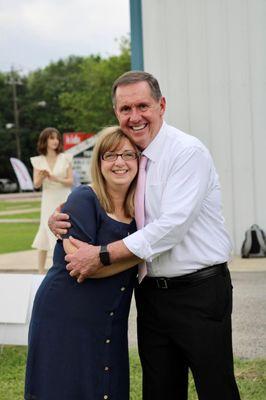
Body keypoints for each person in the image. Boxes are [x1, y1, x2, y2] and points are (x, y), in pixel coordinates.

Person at [49, 71, 241, 400]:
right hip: (151, 295)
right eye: (126, 109)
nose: (134, 117)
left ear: (161, 105)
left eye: (143, 106)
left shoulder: (186, 153)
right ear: (116, 113)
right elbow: (112, 206)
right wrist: (64, 215)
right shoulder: (133, 161)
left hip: (199, 291)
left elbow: (172, 225)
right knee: (160, 390)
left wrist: (102, 255)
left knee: (215, 387)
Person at [25, 127, 140, 400]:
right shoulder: (84, 199)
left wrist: (143, 248)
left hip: (109, 317)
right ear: (98, 162)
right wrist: (141, 252)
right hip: (65, 313)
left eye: (128, 154)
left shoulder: (142, 208)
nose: (120, 162)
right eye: (110, 155)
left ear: (139, 160)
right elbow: (83, 267)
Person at [30, 127, 73, 273]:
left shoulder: (65, 158)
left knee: (65, 229)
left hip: (64, 197)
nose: (55, 141)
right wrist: (42, 176)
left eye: (57, 138)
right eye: (51, 138)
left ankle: (64, 267)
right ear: (45, 140)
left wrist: (55, 178)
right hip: (48, 198)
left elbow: (70, 181)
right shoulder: (38, 161)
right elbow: (36, 184)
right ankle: (40, 271)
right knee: (44, 230)